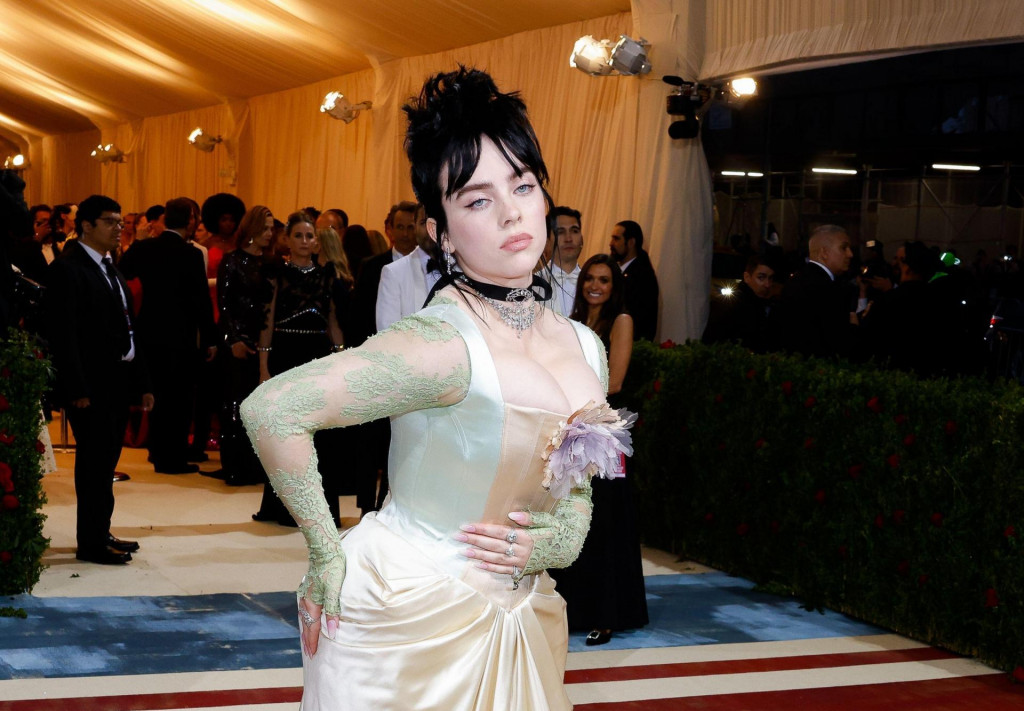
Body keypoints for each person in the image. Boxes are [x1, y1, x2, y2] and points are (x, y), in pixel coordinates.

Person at [241, 67, 632, 710]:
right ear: (440, 233)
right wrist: (326, 552)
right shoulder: (440, 344)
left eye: (523, 185)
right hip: (407, 620)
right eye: (477, 200)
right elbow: (272, 410)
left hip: (523, 615)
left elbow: (578, 483)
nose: (511, 211)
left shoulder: (585, 344)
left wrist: (562, 538)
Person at [43, 195, 153, 565]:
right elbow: (63, 335)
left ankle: (99, 531)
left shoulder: (109, 266)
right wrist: (76, 388)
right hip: (91, 385)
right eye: (109, 221)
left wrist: (142, 382)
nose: (118, 228)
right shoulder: (68, 269)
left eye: (120, 222)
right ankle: (90, 542)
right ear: (86, 226)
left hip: (117, 379)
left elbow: (129, 327)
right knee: (94, 465)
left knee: (105, 464)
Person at [550, 254, 648, 645]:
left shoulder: (621, 320)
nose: (595, 285)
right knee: (574, 516)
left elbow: (616, 382)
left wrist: (566, 397)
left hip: (604, 432)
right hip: (574, 427)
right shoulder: (574, 322)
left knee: (606, 519)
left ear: (615, 286)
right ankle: (575, 607)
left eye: (604, 280)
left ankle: (607, 614)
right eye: (590, 278)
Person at [252, 211, 344, 526]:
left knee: (321, 435)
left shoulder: (327, 274)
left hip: (318, 357)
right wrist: (263, 367)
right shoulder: (276, 273)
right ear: (287, 240)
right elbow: (266, 322)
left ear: (317, 240)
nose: (305, 241)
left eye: (309, 236)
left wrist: (341, 359)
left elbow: (333, 320)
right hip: (285, 355)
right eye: (298, 236)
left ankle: (321, 509)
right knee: (287, 433)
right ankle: (282, 508)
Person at [119, 197, 217, 474]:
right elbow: (201, 301)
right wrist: (209, 338)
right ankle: (173, 457)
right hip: (181, 333)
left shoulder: (145, 248)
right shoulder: (191, 254)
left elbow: (122, 272)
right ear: (190, 220)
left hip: (149, 329)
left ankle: (156, 450)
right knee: (179, 398)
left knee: (156, 394)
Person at [212, 205, 275, 486]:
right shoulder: (232, 261)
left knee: (260, 407)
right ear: (251, 229)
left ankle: (256, 466)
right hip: (237, 342)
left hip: (264, 342)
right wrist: (233, 340)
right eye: (265, 228)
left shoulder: (272, 263)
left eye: (271, 229)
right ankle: (234, 467)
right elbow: (224, 305)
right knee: (234, 406)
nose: (270, 233)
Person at [772, 224, 858, 358]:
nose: (850, 254)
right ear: (824, 252)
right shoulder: (831, 290)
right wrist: (854, 326)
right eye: (843, 248)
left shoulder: (796, 281)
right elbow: (839, 342)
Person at [703, 255, 775, 352]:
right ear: (747, 277)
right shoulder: (732, 305)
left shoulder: (762, 304)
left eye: (770, 278)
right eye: (761, 278)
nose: (767, 284)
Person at [610, 220, 659, 340]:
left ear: (631, 242)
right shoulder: (615, 269)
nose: (611, 243)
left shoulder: (643, 277)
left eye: (616, 239)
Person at [539, 206, 584, 317]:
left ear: (582, 239)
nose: (568, 239)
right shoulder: (533, 283)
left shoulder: (592, 284)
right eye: (560, 232)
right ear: (546, 241)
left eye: (574, 231)